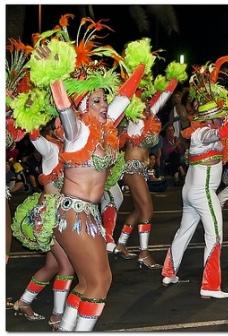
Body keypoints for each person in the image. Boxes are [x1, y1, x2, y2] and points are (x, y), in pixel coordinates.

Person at [32, 34, 145, 330]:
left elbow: (125, 96)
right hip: (73, 213)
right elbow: (64, 108)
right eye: (96, 100)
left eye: (104, 98)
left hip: (88, 215)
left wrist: (141, 65)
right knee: (99, 282)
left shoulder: (107, 128)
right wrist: (54, 75)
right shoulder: (77, 132)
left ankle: (66, 327)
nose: (104, 104)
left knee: (89, 281)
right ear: (84, 105)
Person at [161, 56, 228, 298]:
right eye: (219, 116)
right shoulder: (203, 133)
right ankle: (210, 285)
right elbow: (224, 130)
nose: (221, 119)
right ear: (210, 119)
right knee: (215, 235)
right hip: (203, 193)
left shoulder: (202, 132)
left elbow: (224, 131)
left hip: (191, 193)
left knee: (184, 232)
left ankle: (168, 272)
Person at [115, 49, 183, 267]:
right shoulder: (134, 117)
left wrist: (175, 77)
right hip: (133, 168)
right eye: (141, 94)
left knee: (138, 209)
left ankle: (122, 243)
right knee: (148, 210)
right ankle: (144, 253)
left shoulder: (148, 115)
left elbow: (162, 97)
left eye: (147, 95)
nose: (146, 98)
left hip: (139, 169)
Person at [10, 122, 74, 331]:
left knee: (53, 266)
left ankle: (23, 302)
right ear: (52, 130)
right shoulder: (50, 148)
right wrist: (32, 118)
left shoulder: (72, 147)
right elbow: (36, 138)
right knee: (66, 266)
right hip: (48, 216)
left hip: (62, 214)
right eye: (61, 124)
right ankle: (57, 316)